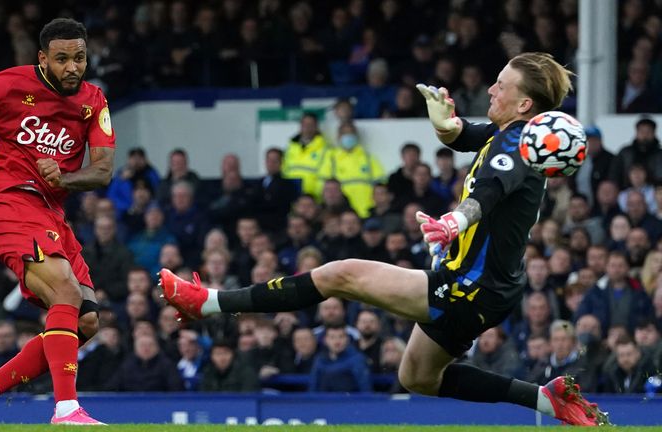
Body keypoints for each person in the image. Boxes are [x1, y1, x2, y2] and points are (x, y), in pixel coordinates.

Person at [159, 52, 608, 425]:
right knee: (418, 377)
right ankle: (545, 399)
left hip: (472, 288)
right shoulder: (510, 134)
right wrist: (444, 126)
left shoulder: (515, 151)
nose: (491, 90)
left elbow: (487, 195)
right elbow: (463, 136)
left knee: (341, 274)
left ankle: (208, 303)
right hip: (485, 287)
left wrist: (454, 222)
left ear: (524, 104)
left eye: (500, 85)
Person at [0, 6, 114, 425]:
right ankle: (66, 409)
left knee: (84, 321)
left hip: (53, 213)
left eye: (79, 58)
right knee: (66, 293)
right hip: (11, 202)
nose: (72, 67)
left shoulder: (92, 100)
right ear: (42, 58)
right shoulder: (9, 84)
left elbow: (103, 170)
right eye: (62, 59)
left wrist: (65, 178)